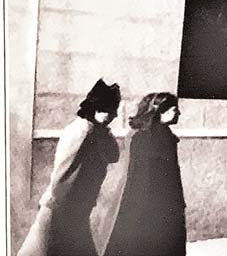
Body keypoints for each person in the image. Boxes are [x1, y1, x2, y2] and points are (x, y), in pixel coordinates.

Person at [18, 79, 121, 256]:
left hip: (73, 212)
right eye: (111, 111)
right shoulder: (82, 132)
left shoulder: (95, 131)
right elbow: (62, 175)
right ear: (96, 109)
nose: (115, 116)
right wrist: (66, 210)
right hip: (61, 212)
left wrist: (106, 130)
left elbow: (114, 155)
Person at [104, 93, 187, 256]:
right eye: (174, 109)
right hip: (149, 206)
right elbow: (143, 177)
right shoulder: (145, 137)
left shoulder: (163, 134)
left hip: (164, 204)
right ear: (160, 111)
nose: (178, 113)